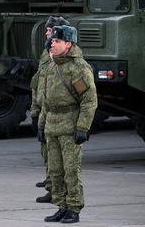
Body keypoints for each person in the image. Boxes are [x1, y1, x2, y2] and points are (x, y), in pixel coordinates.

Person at [39, 25, 97, 224]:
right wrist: (41, 125)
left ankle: (74, 207)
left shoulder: (78, 68)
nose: (52, 44)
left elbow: (89, 100)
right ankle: (61, 206)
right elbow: (46, 100)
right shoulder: (51, 66)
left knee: (71, 171)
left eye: (57, 41)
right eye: (52, 41)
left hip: (70, 126)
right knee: (55, 171)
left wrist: (82, 127)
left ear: (69, 44)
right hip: (52, 125)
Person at [31, 16, 70, 203]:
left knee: (58, 156)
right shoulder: (47, 53)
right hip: (44, 107)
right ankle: (51, 183)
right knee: (47, 151)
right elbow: (39, 82)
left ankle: (56, 189)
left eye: (49, 30)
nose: (47, 33)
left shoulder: (63, 56)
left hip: (58, 112)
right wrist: (35, 110)